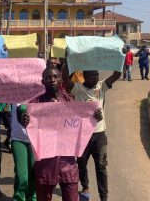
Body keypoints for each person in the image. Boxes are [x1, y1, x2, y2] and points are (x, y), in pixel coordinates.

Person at [20, 67, 103, 201]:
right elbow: (26, 124)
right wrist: (25, 121)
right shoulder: (34, 105)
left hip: (68, 164)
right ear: (43, 81)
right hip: (45, 164)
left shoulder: (71, 102)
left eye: (55, 77)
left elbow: (81, 126)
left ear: (61, 80)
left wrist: (94, 118)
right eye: (48, 77)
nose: (52, 80)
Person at [63, 66, 121, 201]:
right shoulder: (77, 88)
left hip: (99, 133)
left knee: (101, 165)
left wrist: (120, 56)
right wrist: (66, 61)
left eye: (97, 74)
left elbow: (117, 74)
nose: (96, 77)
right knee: (81, 163)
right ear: (84, 76)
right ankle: (85, 187)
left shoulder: (102, 86)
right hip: (82, 134)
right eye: (92, 75)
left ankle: (103, 196)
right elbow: (66, 79)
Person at [10, 100, 37, 201]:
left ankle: (32, 197)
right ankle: (19, 198)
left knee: (34, 174)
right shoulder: (14, 90)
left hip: (36, 138)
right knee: (22, 175)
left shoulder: (40, 88)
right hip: (18, 138)